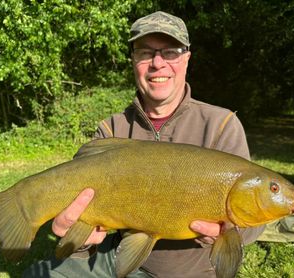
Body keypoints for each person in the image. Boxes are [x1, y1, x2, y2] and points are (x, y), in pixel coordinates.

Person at [24, 11, 265, 277]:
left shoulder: (221, 125)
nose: (157, 63)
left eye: (170, 52)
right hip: (117, 260)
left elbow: (252, 225)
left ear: (187, 59)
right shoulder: (111, 129)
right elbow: (81, 235)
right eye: (145, 52)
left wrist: (230, 232)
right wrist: (77, 239)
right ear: (133, 60)